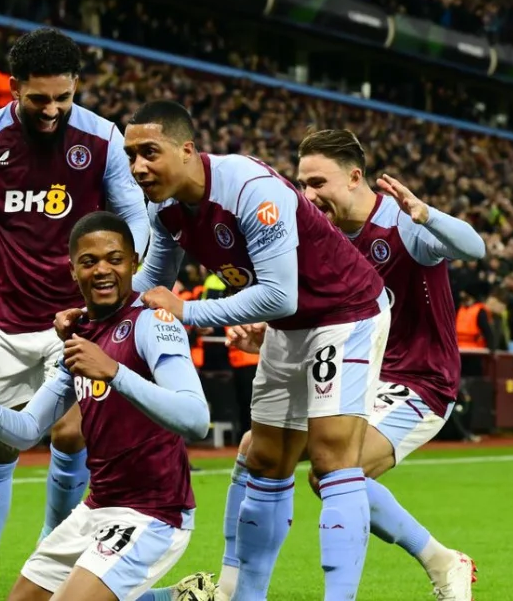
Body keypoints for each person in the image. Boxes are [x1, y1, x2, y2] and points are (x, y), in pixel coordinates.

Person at [108, 101, 390, 601]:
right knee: (264, 459)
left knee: (330, 457)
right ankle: (246, 597)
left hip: (344, 311)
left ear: (188, 150)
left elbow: (280, 293)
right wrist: (96, 318)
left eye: (149, 152)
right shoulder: (165, 207)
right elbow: (152, 282)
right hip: (289, 326)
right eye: (131, 155)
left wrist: (187, 312)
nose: (137, 167)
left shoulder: (248, 189)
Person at [0, 27, 150, 601]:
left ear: (75, 87)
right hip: (4, 317)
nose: (52, 110)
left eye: (63, 98)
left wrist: (132, 280)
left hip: (74, 316)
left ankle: (49, 555)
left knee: (71, 434)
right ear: (15, 87)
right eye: (39, 99)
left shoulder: (101, 138)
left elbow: (135, 219)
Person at [211, 129, 485, 601]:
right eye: (302, 184)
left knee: (333, 471)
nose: (308, 195)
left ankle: (440, 559)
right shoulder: (315, 237)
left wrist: (428, 215)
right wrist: (264, 332)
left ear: (356, 177)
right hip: (351, 372)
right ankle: (231, 586)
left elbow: (475, 248)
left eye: (319, 182)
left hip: (416, 380)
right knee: (256, 448)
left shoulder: (401, 225)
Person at [0, 212, 207, 601]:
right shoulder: (81, 339)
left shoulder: (154, 324)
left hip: (154, 514)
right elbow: (25, 432)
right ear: (73, 271)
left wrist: (113, 371)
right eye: (89, 262)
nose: (103, 270)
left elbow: (196, 420)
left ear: (134, 264)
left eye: (115, 259)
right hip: (95, 509)